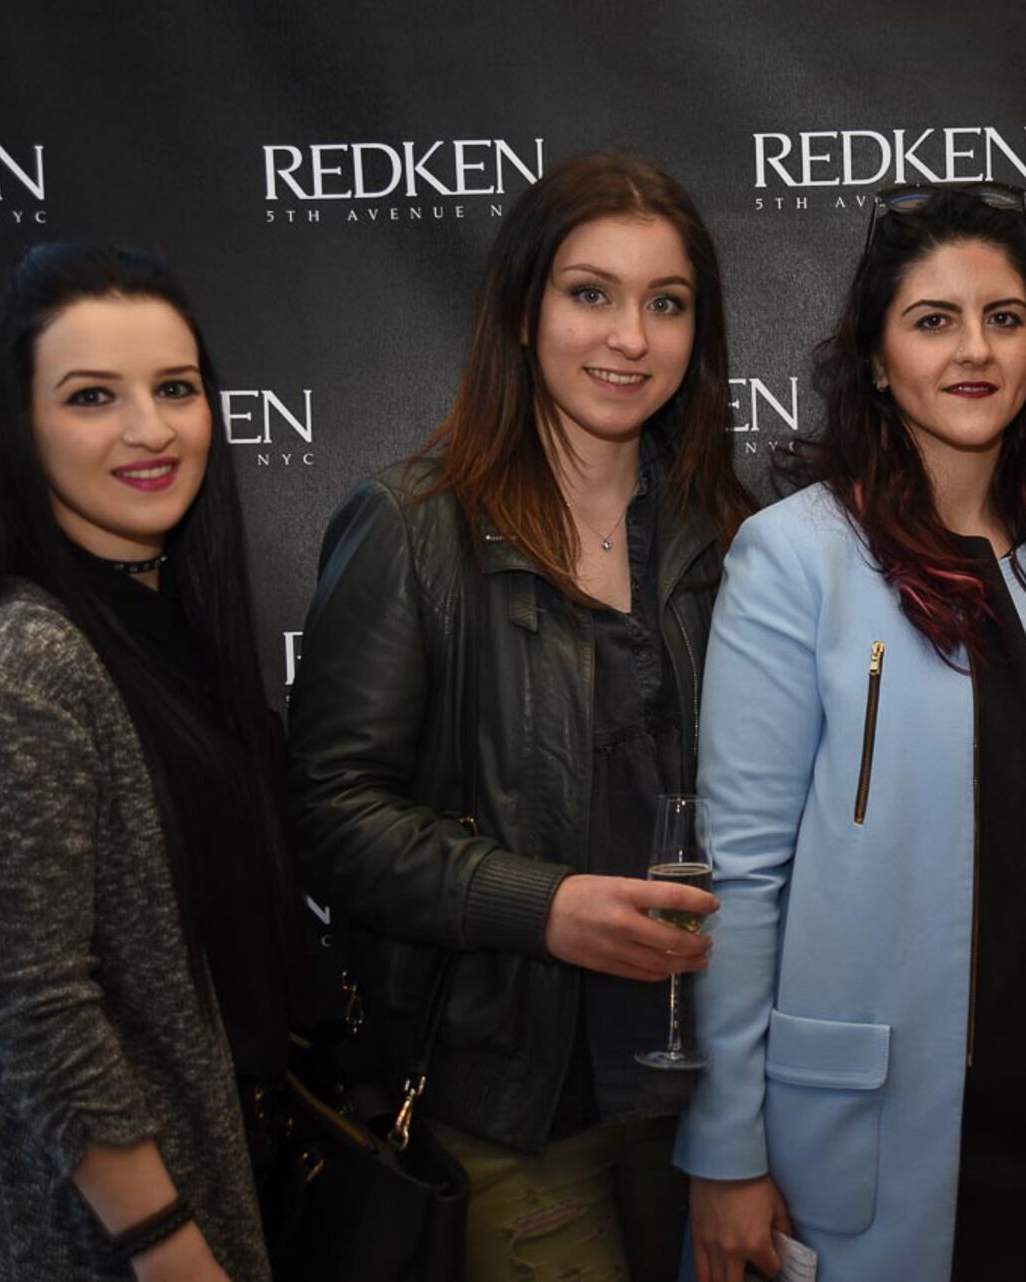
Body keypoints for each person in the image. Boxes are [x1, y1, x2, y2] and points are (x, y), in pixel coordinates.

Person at [676, 185, 1026, 1282]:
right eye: (932, 320)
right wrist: (724, 1145)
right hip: (862, 1141)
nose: (975, 350)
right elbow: (744, 879)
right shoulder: (794, 557)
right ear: (875, 359)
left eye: (1004, 317)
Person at [288, 152, 753, 1282]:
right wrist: (540, 906)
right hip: (503, 1105)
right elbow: (331, 814)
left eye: (666, 303)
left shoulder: (733, 535)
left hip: (703, 1093)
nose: (629, 337)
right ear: (522, 306)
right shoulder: (413, 529)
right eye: (591, 293)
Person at [0, 244, 301, 1282]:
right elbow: (43, 1012)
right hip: (106, 1247)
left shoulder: (171, 627)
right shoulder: (23, 664)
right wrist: (167, 1249)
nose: (151, 429)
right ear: (20, 426)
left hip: (230, 1189)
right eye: (93, 395)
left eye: (175, 388)